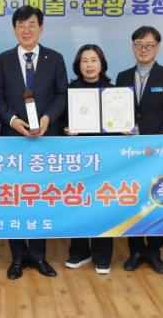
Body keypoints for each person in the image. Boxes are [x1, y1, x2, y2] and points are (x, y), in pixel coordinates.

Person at [0, 5, 68, 280]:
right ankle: (17, 256)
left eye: (31, 25)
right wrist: (12, 120)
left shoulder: (55, 58)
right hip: (13, 138)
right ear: (14, 29)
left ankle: (38, 255)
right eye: (20, 25)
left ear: (41, 28)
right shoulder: (2, 59)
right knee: (13, 197)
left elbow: (62, 94)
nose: (26, 30)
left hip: (45, 140)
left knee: (39, 197)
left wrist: (48, 118)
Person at [115, 26, 163, 275]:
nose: (144, 49)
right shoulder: (122, 77)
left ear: (158, 47)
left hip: (159, 152)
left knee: (156, 200)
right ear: (133, 47)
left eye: (149, 45)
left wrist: (157, 143)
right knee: (133, 200)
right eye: (139, 44)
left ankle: (154, 252)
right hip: (130, 153)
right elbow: (116, 113)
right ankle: (135, 251)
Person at [62, 44, 115, 274]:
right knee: (79, 204)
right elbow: (61, 122)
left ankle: (103, 255)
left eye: (94, 60)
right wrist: (66, 130)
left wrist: (125, 129)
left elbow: (124, 122)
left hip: (106, 159)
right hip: (78, 158)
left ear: (102, 63)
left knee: (104, 205)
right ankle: (79, 252)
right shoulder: (68, 91)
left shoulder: (114, 92)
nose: (89, 65)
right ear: (78, 65)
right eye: (85, 61)